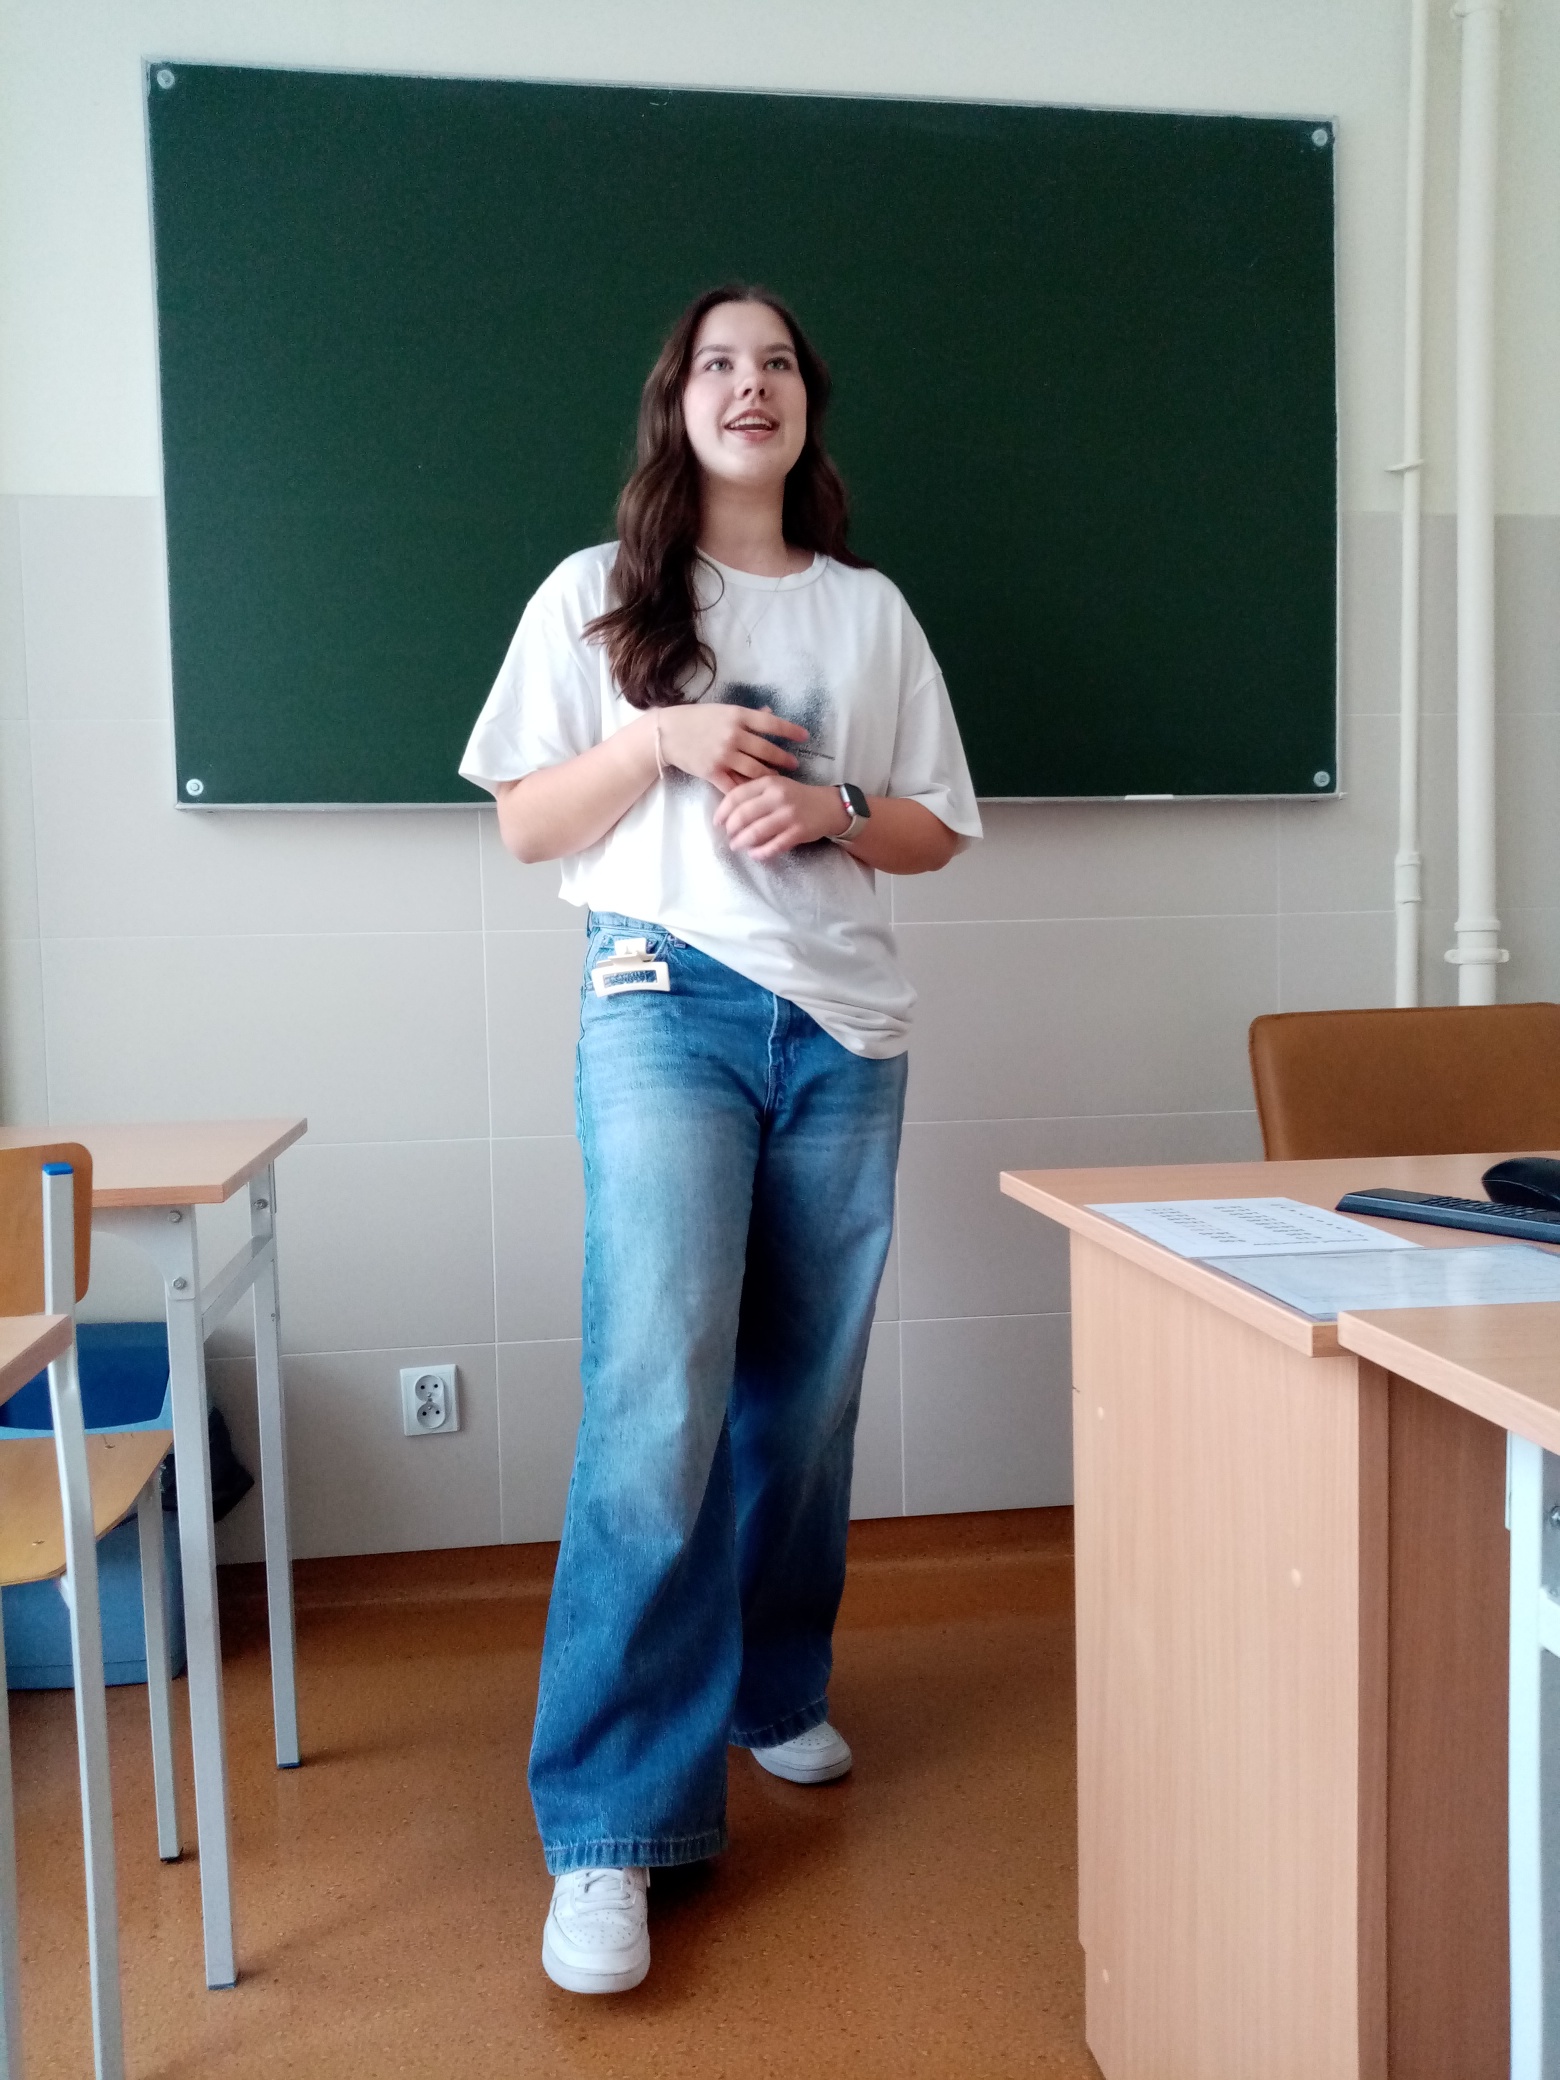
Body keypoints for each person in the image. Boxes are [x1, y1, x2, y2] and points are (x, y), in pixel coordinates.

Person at [459, 283, 981, 1994]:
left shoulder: (867, 610)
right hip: (660, 999)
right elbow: (526, 824)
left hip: (846, 1029)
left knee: (803, 1397)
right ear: (674, 403)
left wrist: (835, 807)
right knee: (657, 1398)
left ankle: (771, 1689)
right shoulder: (597, 596)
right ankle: (613, 1827)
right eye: (716, 365)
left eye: (775, 365)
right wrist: (661, 739)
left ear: (807, 403)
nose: (748, 387)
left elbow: (934, 828)